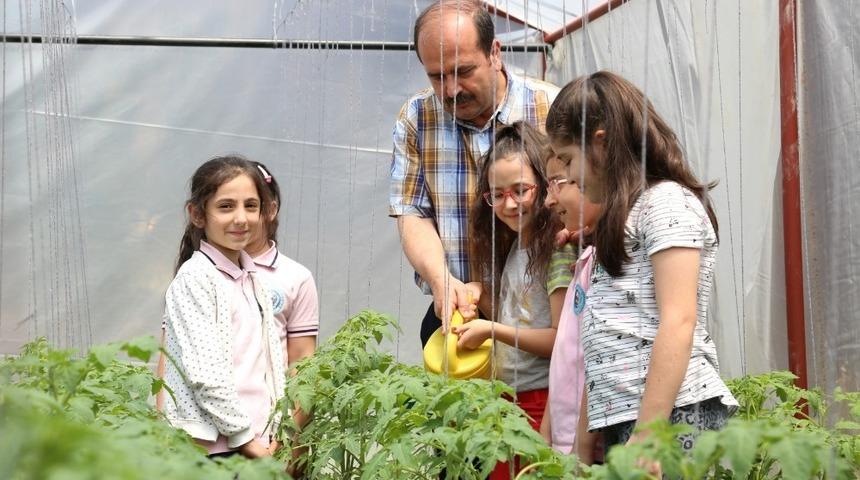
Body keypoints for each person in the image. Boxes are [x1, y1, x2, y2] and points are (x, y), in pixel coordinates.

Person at [546, 71, 737, 472]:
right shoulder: (621, 220)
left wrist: (650, 432)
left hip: (676, 416)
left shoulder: (666, 203)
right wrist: (583, 439)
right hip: (632, 419)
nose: (570, 177)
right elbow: (602, 336)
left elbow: (679, 319)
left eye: (567, 159)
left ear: (601, 143)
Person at [389, 0, 559, 346]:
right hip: (459, 312)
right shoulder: (417, 118)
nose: (451, 90)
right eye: (437, 76)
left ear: (495, 53)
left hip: (543, 315)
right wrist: (442, 281)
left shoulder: (550, 108)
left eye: (463, 71)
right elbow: (411, 213)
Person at [452, 122, 575, 479]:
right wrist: (478, 292)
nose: (509, 204)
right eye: (497, 194)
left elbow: (560, 340)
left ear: (546, 184)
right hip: (508, 399)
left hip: (542, 403)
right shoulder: (519, 244)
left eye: (521, 191)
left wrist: (490, 329)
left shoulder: (557, 250)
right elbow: (521, 316)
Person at [161, 155, 284, 458]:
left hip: (255, 442)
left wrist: (275, 431)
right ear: (197, 214)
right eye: (226, 206)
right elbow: (205, 374)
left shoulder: (252, 278)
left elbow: (267, 366)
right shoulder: (195, 279)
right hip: (215, 449)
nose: (241, 218)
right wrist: (247, 441)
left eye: (250, 206)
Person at [540, 146, 602, 456]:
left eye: (558, 183)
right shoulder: (587, 261)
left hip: (587, 445)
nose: (548, 200)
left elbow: (598, 360)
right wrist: (548, 427)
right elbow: (568, 350)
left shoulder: (606, 268)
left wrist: (584, 445)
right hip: (568, 440)